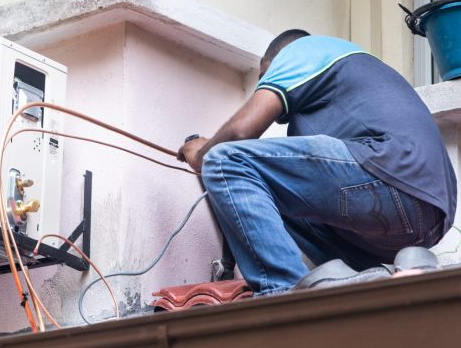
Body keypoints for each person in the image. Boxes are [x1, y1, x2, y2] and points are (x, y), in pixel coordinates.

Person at [177, 30, 457, 296]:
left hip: (392, 173)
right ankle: (356, 282)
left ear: (278, 57)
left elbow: (240, 133)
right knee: (270, 193)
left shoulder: (303, 50)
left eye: (265, 76)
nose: (263, 84)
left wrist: (201, 154)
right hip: (431, 216)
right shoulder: (332, 102)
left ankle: (283, 294)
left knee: (226, 160)